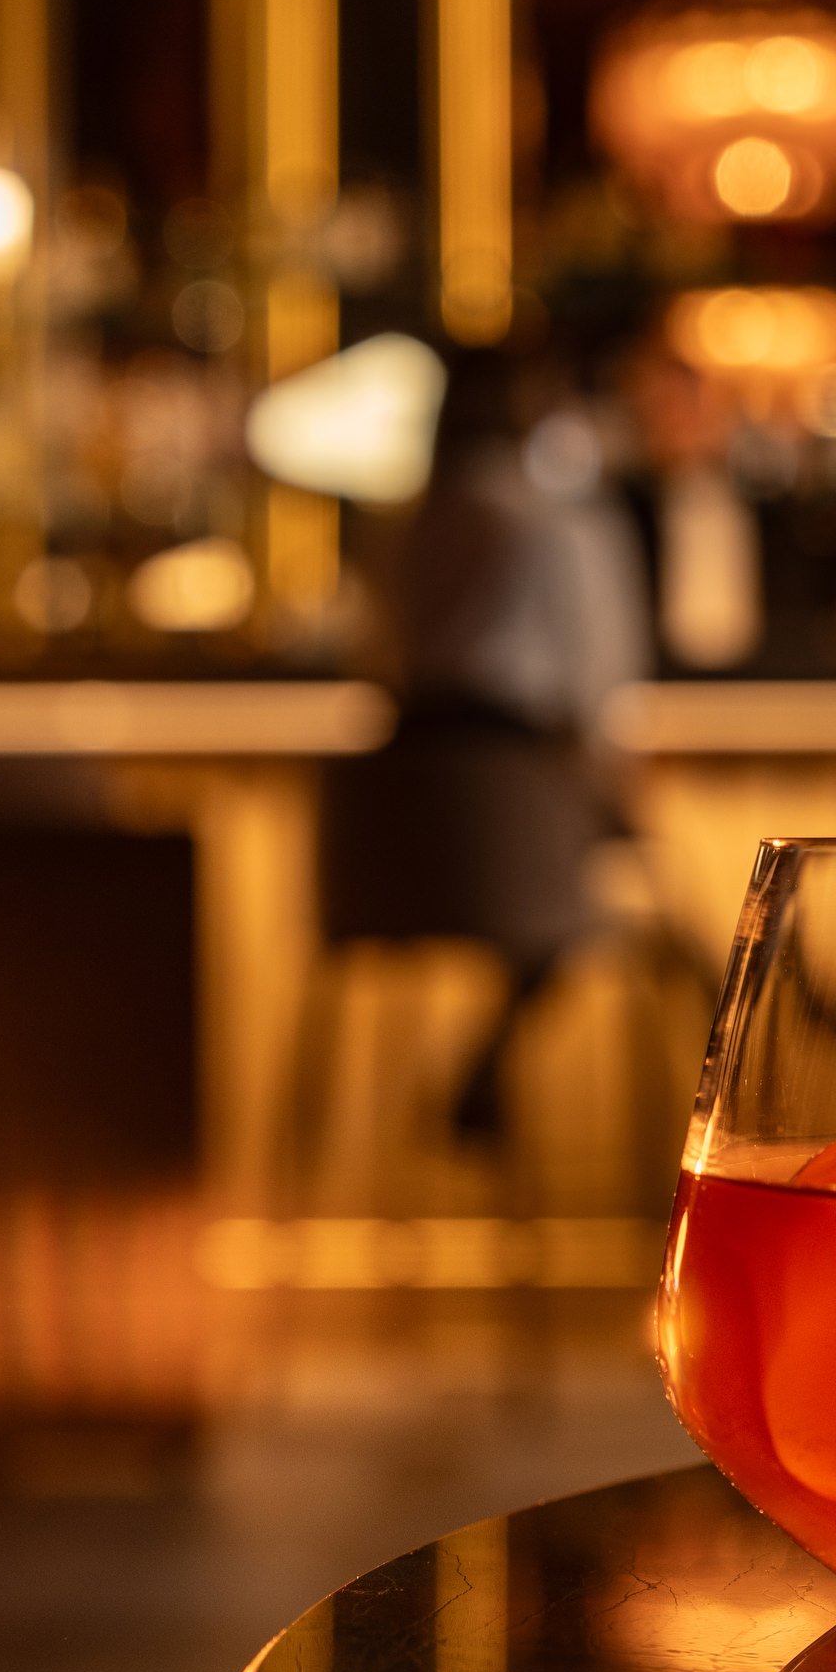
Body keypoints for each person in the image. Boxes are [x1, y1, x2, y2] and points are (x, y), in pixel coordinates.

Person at [322, 343, 652, 1136]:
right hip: (519, 799)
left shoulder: (395, 529)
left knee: (590, 898)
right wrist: (618, 799)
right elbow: (596, 689)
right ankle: (792, 1016)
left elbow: (378, 665)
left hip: (395, 813)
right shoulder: (562, 526)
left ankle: (488, 1063)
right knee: (632, 905)